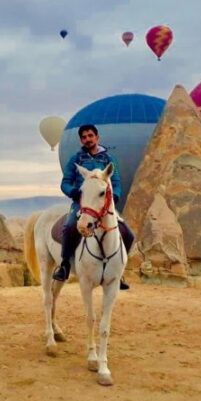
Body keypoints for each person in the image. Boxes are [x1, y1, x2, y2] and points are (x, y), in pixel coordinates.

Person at [52, 123, 134, 289]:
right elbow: (65, 182)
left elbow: (116, 182)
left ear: (97, 137)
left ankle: (119, 271)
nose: (87, 139)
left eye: (90, 136)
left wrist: (115, 196)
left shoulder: (109, 160)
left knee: (128, 233)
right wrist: (73, 192)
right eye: (84, 137)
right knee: (69, 227)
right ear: (81, 140)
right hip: (82, 203)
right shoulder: (76, 159)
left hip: (103, 203)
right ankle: (65, 266)